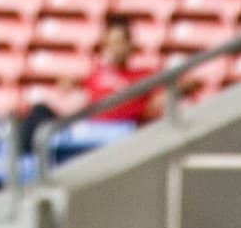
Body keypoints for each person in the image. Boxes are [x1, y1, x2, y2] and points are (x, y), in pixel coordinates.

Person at [19, 12, 161, 155]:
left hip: (115, 131)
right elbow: (72, 89)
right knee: (38, 112)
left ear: (129, 44)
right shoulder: (97, 72)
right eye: (110, 43)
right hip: (84, 127)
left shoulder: (143, 76)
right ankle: (19, 161)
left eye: (119, 42)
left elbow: (162, 100)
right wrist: (70, 85)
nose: (114, 48)